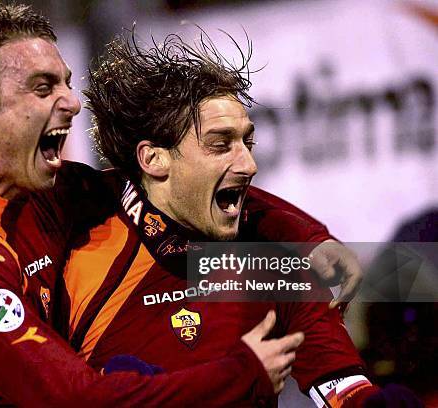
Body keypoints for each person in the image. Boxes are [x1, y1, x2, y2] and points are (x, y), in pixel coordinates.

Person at [0, 3, 313, 406]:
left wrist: (311, 242)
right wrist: (242, 373)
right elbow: (77, 400)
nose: (73, 102)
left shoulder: (45, 193)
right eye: (43, 88)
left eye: (66, 82)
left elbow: (182, 188)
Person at [58, 30, 422, 407]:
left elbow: (343, 387)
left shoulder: (276, 265)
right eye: (220, 145)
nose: (249, 165)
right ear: (153, 159)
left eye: (247, 142)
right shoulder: (74, 247)